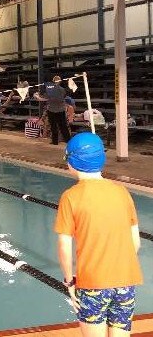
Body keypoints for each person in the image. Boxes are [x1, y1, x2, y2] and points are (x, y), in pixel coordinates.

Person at [55, 132, 142, 337]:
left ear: (72, 162)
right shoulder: (122, 192)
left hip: (94, 283)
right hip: (126, 282)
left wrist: (68, 280)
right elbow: (135, 243)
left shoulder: (70, 197)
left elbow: (64, 246)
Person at [40, 76, 71, 145]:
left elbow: (46, 98)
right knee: (59, 126)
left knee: (59, 126)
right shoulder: (60, 89)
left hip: (56, 109)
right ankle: (62, 141)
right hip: (55, 109)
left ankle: (60, 141)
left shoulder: (53, 89)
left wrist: (37, 96)